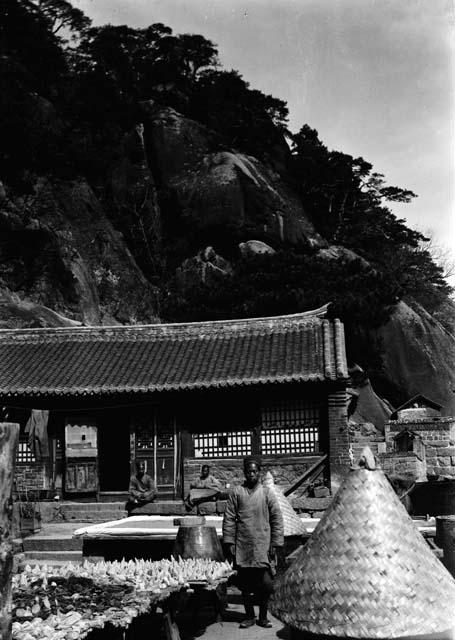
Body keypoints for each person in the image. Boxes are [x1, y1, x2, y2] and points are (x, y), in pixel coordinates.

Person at [222, 456, 284, 629]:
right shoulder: (236, 492)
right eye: (248, 471)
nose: (251, 474)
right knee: (245, 584)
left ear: (259, 473)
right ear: (244, 472)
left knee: (265, 584)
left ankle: (263, 617)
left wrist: (275, 543)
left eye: (255, 471)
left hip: (263, 544)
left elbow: (277, 519)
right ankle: (249, 616)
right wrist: (229, 542)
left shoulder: (266, 493)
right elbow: (229, 518)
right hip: (243, 544)